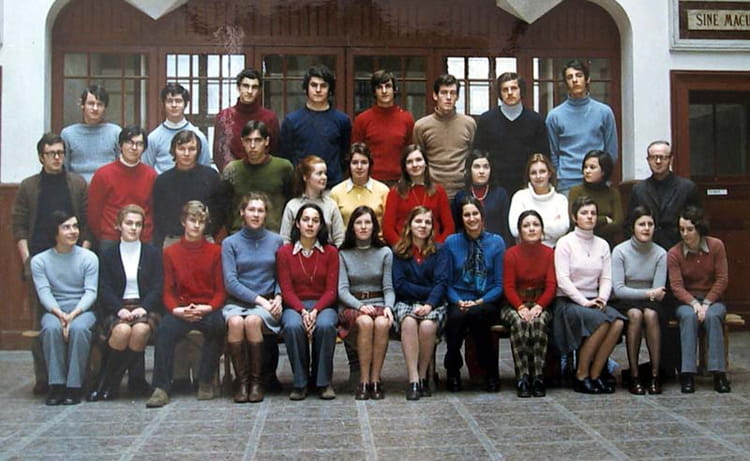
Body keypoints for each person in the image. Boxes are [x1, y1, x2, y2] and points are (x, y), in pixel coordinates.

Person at [12, 133, 91, 394]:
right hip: (39, 257)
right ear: (41, 157)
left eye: (60, 153)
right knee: (42, 321)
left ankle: (75, 377)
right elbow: (19, 226)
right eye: (51, 153)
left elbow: (86, 224)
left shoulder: (77, 184)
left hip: (73, 257)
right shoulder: (28, 186)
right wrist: (27, 260)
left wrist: (83, 255)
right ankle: (45, 378)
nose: (57, 158)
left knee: (76, 320)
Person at [146, 201, 226, 408]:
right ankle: (161, 387)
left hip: (207, 308)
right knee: (164, 329)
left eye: (201, 222)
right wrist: (177, 310)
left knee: (218, 326)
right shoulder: (170, 253)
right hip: (181, 308)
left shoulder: (215, 252)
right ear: (183, 222)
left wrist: (208, 308)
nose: (196, 226)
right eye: (192, 220)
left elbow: (220, 291)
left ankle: (205, 380)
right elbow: (167, 290)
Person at [89, 205, 162, 401]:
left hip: (145, 307)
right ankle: (107, 382)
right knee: (122, 331)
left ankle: (122, 382)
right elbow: (104, 288)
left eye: (138, 224)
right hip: (116, 307)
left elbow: (157, 287)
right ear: (118, 225)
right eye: (129, 223)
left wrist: (144, 308)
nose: (133, 228)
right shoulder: (108, 254)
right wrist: (119, 309)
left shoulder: (152, 253)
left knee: (140, 330)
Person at [552, 196, 625, 394]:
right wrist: (584, 302)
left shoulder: (602, 244)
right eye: (584, 213)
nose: (590, 217)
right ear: (574, 217)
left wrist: (602, 298)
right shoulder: (565, 243)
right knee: (601, 322)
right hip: (568, 302)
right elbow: (563, 280)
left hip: (594, 299)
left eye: (593, 213)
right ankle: (581, 375)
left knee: (618, 322)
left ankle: (595, 374)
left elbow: (606, 278)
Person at [222, 193, 284, 403]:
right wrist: (259, 300)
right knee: (236, 322)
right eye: (251, 210)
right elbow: (231, 282)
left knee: (252, 321)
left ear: (266, 214)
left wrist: (278, 297)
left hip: (267, 304)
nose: (256, 215)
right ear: (242, 213)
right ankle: (242, 381)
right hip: (238, 302)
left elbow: (281, 275)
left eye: (260, 210)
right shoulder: (230, 243)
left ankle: (257, 382)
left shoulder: (276, 241)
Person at [31, 211, 98, 405]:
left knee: (79, 329)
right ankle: (56, 385)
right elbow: (44, 293)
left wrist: (73, 315)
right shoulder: (40, 261)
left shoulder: (89, 258)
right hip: (55, 309)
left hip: (83, 310)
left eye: (75, 226)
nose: (73, 231)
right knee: (51, 328)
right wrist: (60, 315)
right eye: (66, 227)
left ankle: (74, 386)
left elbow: (91, 292)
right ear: (55, 232)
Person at [277, 203, 340, 400]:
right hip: (294, 305)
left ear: (321, 225)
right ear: (297, 224)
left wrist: (315, 311)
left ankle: (323, 382)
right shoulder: (285, 252)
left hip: (324, 305)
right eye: (305, 220)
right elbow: (286, 290)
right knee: (292, 326)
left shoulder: (331, 252)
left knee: (326, 325)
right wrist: (303, 311)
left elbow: (331, 290)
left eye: (315, 220)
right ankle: (300, 382)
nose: (310, 224)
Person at [443, 196, 504, 392]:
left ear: (482, 215)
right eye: (466, 215)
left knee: (478, 314)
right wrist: (458, 301)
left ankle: (490, 372)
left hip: (487, 299)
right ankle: (453, 370)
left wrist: (480, 301)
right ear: (461, 218)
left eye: (475, 213)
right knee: (456, 317)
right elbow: (447, 282)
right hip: (459, 299)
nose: (471, 218)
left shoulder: (496, 242)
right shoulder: (451, 242)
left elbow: (499, 284)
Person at [668, 206, 730, 393]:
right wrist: (694, 304)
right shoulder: (674, 253)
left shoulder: (716, 246)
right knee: (688, 317)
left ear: (699, 228)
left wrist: (707, 303)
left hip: (713, 299)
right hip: (687, 301)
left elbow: (722, 279)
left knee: (713, 317)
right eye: (681, 229)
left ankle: (718, 372)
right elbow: (677, 286)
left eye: (689, 229)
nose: (685, 234)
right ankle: (687, 373)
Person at [338, 206, 394, 400]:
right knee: (365, 322)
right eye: (359, 222)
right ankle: (363, 380)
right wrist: (360, 306)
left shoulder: (385, 252)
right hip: (353, 304)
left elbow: (388, 288)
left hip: (379, 301)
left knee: (382, 322)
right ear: (352, 227)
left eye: (367, 222)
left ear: (374, 226)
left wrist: (388, 307)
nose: (363, 227)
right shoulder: (343, 253)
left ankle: (375, 380)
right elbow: (342, 290)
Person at [392, 206, 449, 400]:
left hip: (434, 303)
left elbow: (441, 282)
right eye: (418, 221)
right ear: (410, 224)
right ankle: (413, 379)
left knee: (427, 326)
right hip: (406, 302)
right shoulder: (399, 251)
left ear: (432, 227)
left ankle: (423, 375)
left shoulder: (440, 250)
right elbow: (399, 285)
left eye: (427, 222)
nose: (423, 226)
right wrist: (426, 291)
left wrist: (429, 303)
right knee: (408, 322)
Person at [611, 206, 667, 395]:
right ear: (632, 227)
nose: (646, 228)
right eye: (641, 224)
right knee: (635, 315)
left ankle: (654, 375)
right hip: (627, 301)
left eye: (650, 224)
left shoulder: (661, 253)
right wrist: (648, 293)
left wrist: (651, 294)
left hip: (650, 302)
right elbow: (619, 290)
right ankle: (634, 376)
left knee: (650, 315)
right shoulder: (620, 251)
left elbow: (659, 291)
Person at [501, 210, 556, 398]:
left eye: (535, 225)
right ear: (519, 231)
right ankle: (523, 376)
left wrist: (539, 306)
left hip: (541, 303)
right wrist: (521, 307)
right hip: (514, 303)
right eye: (526, 226)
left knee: (538, 323)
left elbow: (551, 285)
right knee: (520, 322)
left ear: (542, 229)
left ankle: (538, 376)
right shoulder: (511, 254)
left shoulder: (549, 253)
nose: (531, 229)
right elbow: (508, 286)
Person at [546, 59, 618, 194]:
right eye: (570, 77)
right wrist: (560, 175)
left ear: (587, 79)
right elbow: (553, 153)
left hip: (598, 183)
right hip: (567, 183)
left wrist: (603, 176)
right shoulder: (555, 116)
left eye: (578, 75)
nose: (574, 80)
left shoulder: (604, 112)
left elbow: (611, 151)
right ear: (565, 82)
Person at [473, 72, 549, 194]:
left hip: (528, 187)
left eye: (513, 88)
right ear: (500, 93)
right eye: (505, 89)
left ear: (521, 91)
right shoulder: (486, 120)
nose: (509, 93)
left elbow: (544, 156)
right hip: (494, 188)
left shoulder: (536, 121)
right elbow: (478, 154)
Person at [88, 125, 157, 251]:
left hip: (143, 239)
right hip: (111, 239)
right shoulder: (103, 174)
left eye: (139, 144)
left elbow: (154, 211)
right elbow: (94, 213)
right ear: (120, 145)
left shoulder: (151, 175)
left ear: (144, 148)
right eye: (129, 142)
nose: (134, 148)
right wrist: (105, 234)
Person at [279, 64, 351, 186]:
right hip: (301, 186)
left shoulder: (342, 120)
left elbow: (344, 155)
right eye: (314, 85)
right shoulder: (292, 121)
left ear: (330, 89)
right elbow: (286, 157)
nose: (318, 90)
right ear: (306, 88)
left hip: (332, 185)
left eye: (323, 86)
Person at [152, 130, 225, 248]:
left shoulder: (211, 177)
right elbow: (158, 217)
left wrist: (207, 231)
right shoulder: (162, 181)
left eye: (191, 149)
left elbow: (220, 211)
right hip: (173, 240)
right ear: (173, 151)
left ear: (198, 151)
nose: (186, 153)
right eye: (181, 149)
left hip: (204, 238)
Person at [628, 140, 702, 250]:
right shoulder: (638, 190)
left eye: (662, 157)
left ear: (671, 160)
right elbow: (629, 223)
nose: (658, 161)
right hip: (646, 249)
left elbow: (697, 223)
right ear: (648, 160)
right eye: (653, 157)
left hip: (679, 248)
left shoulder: (687, 188)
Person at [222, 120, 294, 234]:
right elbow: (225, 206)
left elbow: (292, 202)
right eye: (248, 140)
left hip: (274, 233)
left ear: (266, 141)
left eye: (258, 140)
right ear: (242, 142)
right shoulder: (232, 169)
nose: (252, 146)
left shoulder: (283, 167)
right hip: (239, 233)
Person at [413, 73, 476, 198]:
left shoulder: (469, 124)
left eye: (452, 93)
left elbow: (473, 157)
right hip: (432, 192)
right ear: (435, 96)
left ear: (457, 97)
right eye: (443, 92)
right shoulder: (421, 126)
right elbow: (418, 160)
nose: (448, 97)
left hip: (462, 192)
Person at [382, 145, 454, 246]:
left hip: (434, 249)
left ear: (426, 163)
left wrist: (437, 247)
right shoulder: (395, 192)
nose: (414, 165)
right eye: (409, 162)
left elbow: (449, 228)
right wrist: (402, 248)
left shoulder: (439, 191)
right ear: (404, 167)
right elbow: (388, 229)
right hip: (403, 250)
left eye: (418, 160)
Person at [351, 70, 414, 184]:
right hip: (370, 182)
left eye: (388, 86)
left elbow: (410, 152)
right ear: (374, 91)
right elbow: (356, 154)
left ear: (395, 89)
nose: (384, 91)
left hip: (399, 182)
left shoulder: (406, 119)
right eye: (379, 87)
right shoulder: (362, 120)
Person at [213, 68, 280, 171]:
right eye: (246, 86)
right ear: (238, 87)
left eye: (254, 87)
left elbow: (275, 152)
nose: (250, 91)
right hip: (233, 176)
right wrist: (232, 175)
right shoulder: (225, 117)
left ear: (259, 91)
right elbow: (219, 154)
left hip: (263, 175)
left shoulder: (270, 118)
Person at [142, 83, 212, 174]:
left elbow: (205, 171)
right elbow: (146, 170)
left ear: (185, 104)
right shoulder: (153, 138)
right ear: (163, 104)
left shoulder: (198, 136)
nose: (174, 105)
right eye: (169, 101)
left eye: (178, 101)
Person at [279, 155, 345, 247]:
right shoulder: (292, 206)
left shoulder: (331, 205)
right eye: (319, 173)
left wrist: (333, 254)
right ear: (305, 177)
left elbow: (340, 238)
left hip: (326, 254)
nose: (324, 177)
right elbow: (285, 239)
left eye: (325, 173)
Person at [61, 85, 121, 183]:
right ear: (82, 105)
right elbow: (63, 168)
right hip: (77, 188)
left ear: (105, 108)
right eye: (91, 103)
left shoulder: (115, 132)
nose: (95, 108)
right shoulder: (68, 134)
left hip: (108, 186)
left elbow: (121, 167)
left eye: (100, 104)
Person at [452, 149, 511, 246]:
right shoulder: (461, 196)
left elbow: (506, 229)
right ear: (469, 170)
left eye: (486, 167)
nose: (482, 171)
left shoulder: (500, 194)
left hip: (495, 247)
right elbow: (457, 229)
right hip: (467, 247)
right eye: (477, 167)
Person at [508, 153, 569, 247]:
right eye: (533, 173)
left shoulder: (561, 199)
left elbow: (563, 228)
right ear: (529, 176)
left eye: (542, 171)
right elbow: (515, 230)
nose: (538, 176)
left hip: (554, 251)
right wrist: (552, 226)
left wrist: (528, 226)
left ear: (549, 173)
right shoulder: (519, 197)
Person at [568, 150, 623, 247]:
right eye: (585, 167)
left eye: (592, 167)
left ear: (603, 171)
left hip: (607, 243)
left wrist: (590, 228)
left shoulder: (613, 193)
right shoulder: (576, 191)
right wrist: (604, 219)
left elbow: (618, 224)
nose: (587, 171)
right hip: (579, 242)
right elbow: (575, 221)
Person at [328, 142, 390, 227]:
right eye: (355, 162)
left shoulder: (383, 191)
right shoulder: (336, 192)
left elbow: (387, 225)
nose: (359, 167)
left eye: (364, 162)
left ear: (370, 165)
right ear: (349, 165)